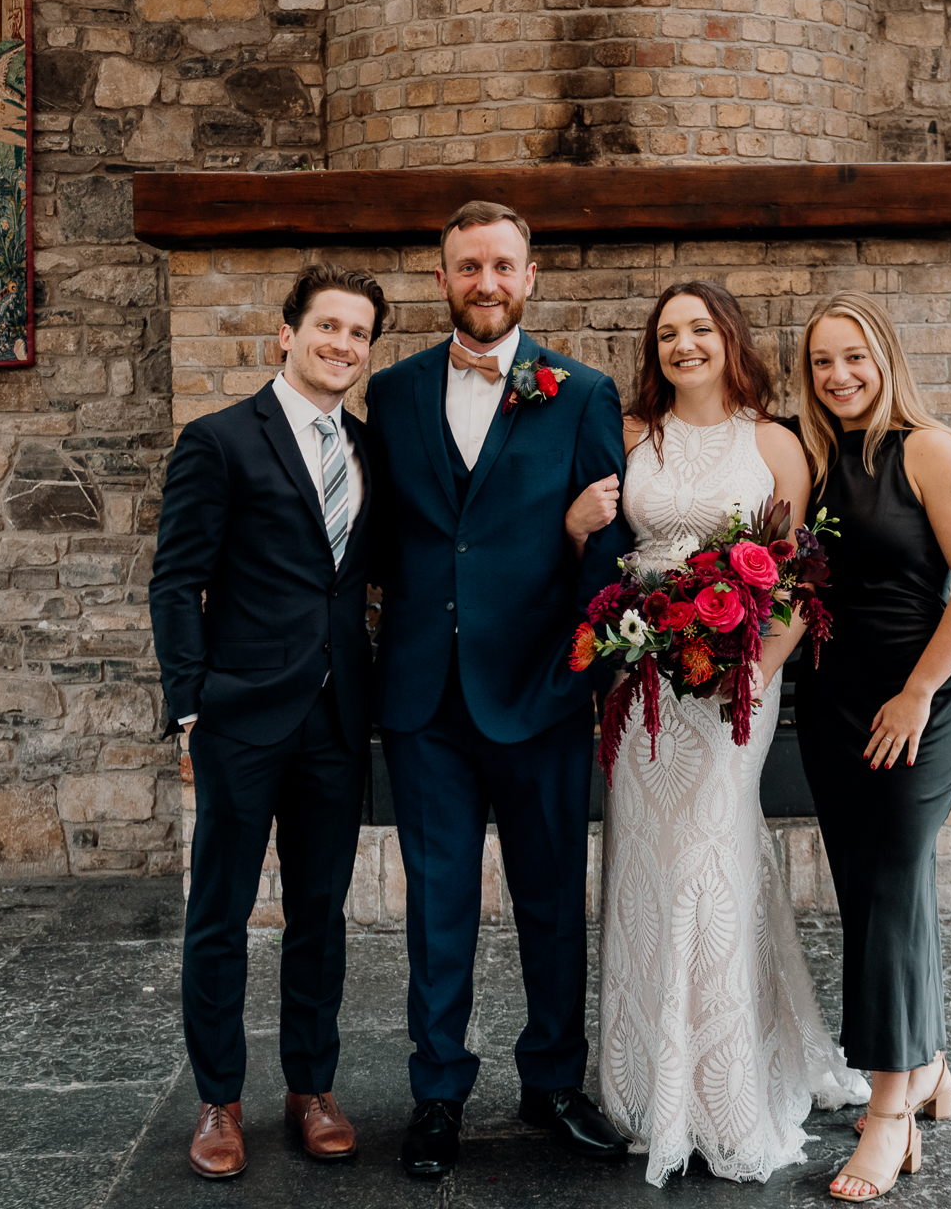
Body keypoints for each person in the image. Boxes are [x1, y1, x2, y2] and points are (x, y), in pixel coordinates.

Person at [364, 200, 635, 1178]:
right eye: (467, 265)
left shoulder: (582, 392)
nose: (486, 281)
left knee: (553, 894)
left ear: (531, 275)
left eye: (503, 265)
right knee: (438, 899)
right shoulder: (390, 395)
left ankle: (553, 1079)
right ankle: (437, 1090)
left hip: (541, 687)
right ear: (441, 278)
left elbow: (608, 555)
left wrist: (583, 663)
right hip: (425, 694)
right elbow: (374, 538)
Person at [589, 280, 863, 1186]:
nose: (684, 345)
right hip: (645, 683)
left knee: (710, 852)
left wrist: (757, 671)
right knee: (647, 858)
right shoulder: (634, 437)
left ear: (728, 337)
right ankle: (644, 1083)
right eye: (667, 333)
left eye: (699, 328)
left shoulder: (774, 441)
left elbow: (801, 575)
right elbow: (605, 549)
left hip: (737, 687)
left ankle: (723, 1087)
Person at [149, 265, 389, 1179]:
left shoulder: (366, 449)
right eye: (328, 326)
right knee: (219, 914)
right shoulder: (219, 441)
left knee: (320, 916)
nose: (343, 344)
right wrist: (188, 701)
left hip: (335, 717)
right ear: (286, 334)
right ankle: (218, 1101)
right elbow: (176, 581)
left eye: (359, 333)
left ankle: (311, 1090)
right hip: (241, 718)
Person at [790, 292, 951, 1203]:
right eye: (824, 361)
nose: (840, 375)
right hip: (833, 708)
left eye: (856, 357)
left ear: (886, 359)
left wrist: (917, 693)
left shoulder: (931, 449)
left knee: (888, 886)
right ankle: (927, 1060)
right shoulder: (817, 462)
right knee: (878, 896)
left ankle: (888, 1117)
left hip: (916, 705)